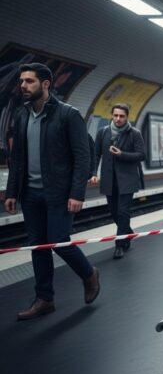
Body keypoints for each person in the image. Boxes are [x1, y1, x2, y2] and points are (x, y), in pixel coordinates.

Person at [4, 63, 100, 320]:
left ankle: (89, 274)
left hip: (58, 193)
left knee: (58, 240)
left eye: (29, 81)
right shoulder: (22, 115)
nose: (23, 86)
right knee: (37, 246)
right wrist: (11, 191)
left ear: (46, 84)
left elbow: (82, 157)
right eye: (22, 81)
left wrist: (77, 193)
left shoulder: (68, 115)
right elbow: (18, 158)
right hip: (31, 194)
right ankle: (44, 298)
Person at [90, 103, 146, 259]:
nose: (118, 119)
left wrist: (121, 154)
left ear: (127, 117)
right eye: (115, 115)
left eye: (122, 116)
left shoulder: (134, 133)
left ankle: (119, 246)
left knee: (122, 212)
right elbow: (96, 155)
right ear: (112, 116)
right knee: (114, 212)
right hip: (109, 179)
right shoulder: (102, 133)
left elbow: (141, 155)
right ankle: (127, 233)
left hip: (127, 179)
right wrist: (94, 172)